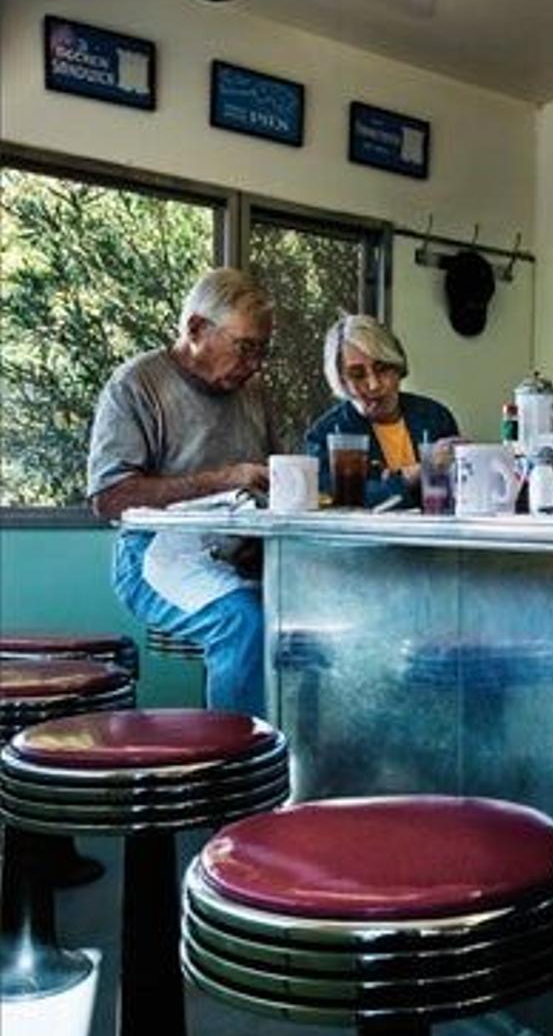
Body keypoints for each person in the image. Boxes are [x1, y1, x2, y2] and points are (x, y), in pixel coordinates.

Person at [87, 267, 274, 715]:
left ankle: (305, 763)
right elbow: (109, 499)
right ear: (195, 329)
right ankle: (239, 773)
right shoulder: (136, 385)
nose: (254, 365)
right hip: (152, 556)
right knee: (242, 622)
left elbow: (269, 481)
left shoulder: (254, 393)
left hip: (238, 550)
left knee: (318, 615)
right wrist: (222, 479)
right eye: (245, 348)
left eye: (262, 352)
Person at [304, 314, 458, 507]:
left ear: (398, 366)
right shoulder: (324, 435)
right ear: (341, 382)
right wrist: (411, 475)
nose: (374, 385)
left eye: (382, 368)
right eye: (357, 375)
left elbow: (456, 495)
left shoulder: (435, 417)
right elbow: (335, 502)